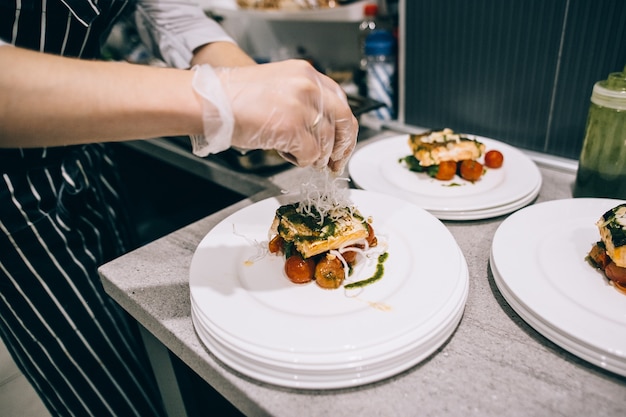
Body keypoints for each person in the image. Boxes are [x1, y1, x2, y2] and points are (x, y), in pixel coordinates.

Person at [0, 0, 358, 415]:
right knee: (105, 388)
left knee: (143, 340)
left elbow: (166, 11)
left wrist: (269, 90)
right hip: (12, 194)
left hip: (88, 153)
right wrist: (219, 101)